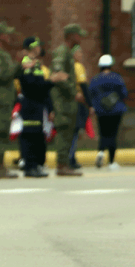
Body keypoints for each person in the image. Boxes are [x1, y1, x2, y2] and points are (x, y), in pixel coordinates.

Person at [17, 40, 68, 177]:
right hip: (30, 105)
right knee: (30, 135)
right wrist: (52, 80)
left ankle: (36, 165)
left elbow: (42, 89)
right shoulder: (27, 63)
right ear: (33, 48)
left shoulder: (37, 65)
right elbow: (32, 86)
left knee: (37, 136)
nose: (40, 48)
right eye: (38, 46)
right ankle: (30, 166)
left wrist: (50, 107)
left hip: (38, 105)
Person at [49, 23, 85, 177]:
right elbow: (59, 76)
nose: (81, 38)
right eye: (79, 35)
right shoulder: (62, 52)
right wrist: (73, 92)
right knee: (64, 133)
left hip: (68, 101)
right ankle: (62, 165)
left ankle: (64, 164)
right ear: (72, 36)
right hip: (62, 101)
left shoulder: (68, 53)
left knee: (68, 132)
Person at [0, 21, 21, 178]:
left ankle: (0, 166)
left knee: (3, 131)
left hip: (6, 98)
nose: (9, 36)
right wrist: (18, 65)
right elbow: (2, 76)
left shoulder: (4, 54)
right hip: (0, 99)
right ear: (0, 36)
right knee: (0, 131)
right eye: (6, 33)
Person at [88, 53, 127, 170]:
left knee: (103, 133)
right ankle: (111, 162)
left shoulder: (95, 79)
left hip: (101, 111)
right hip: (116, 110)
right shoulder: (117, 78)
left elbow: (91, 94)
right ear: (111, 65)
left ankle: (100, 152)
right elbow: (124, 94)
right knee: (113, 135)